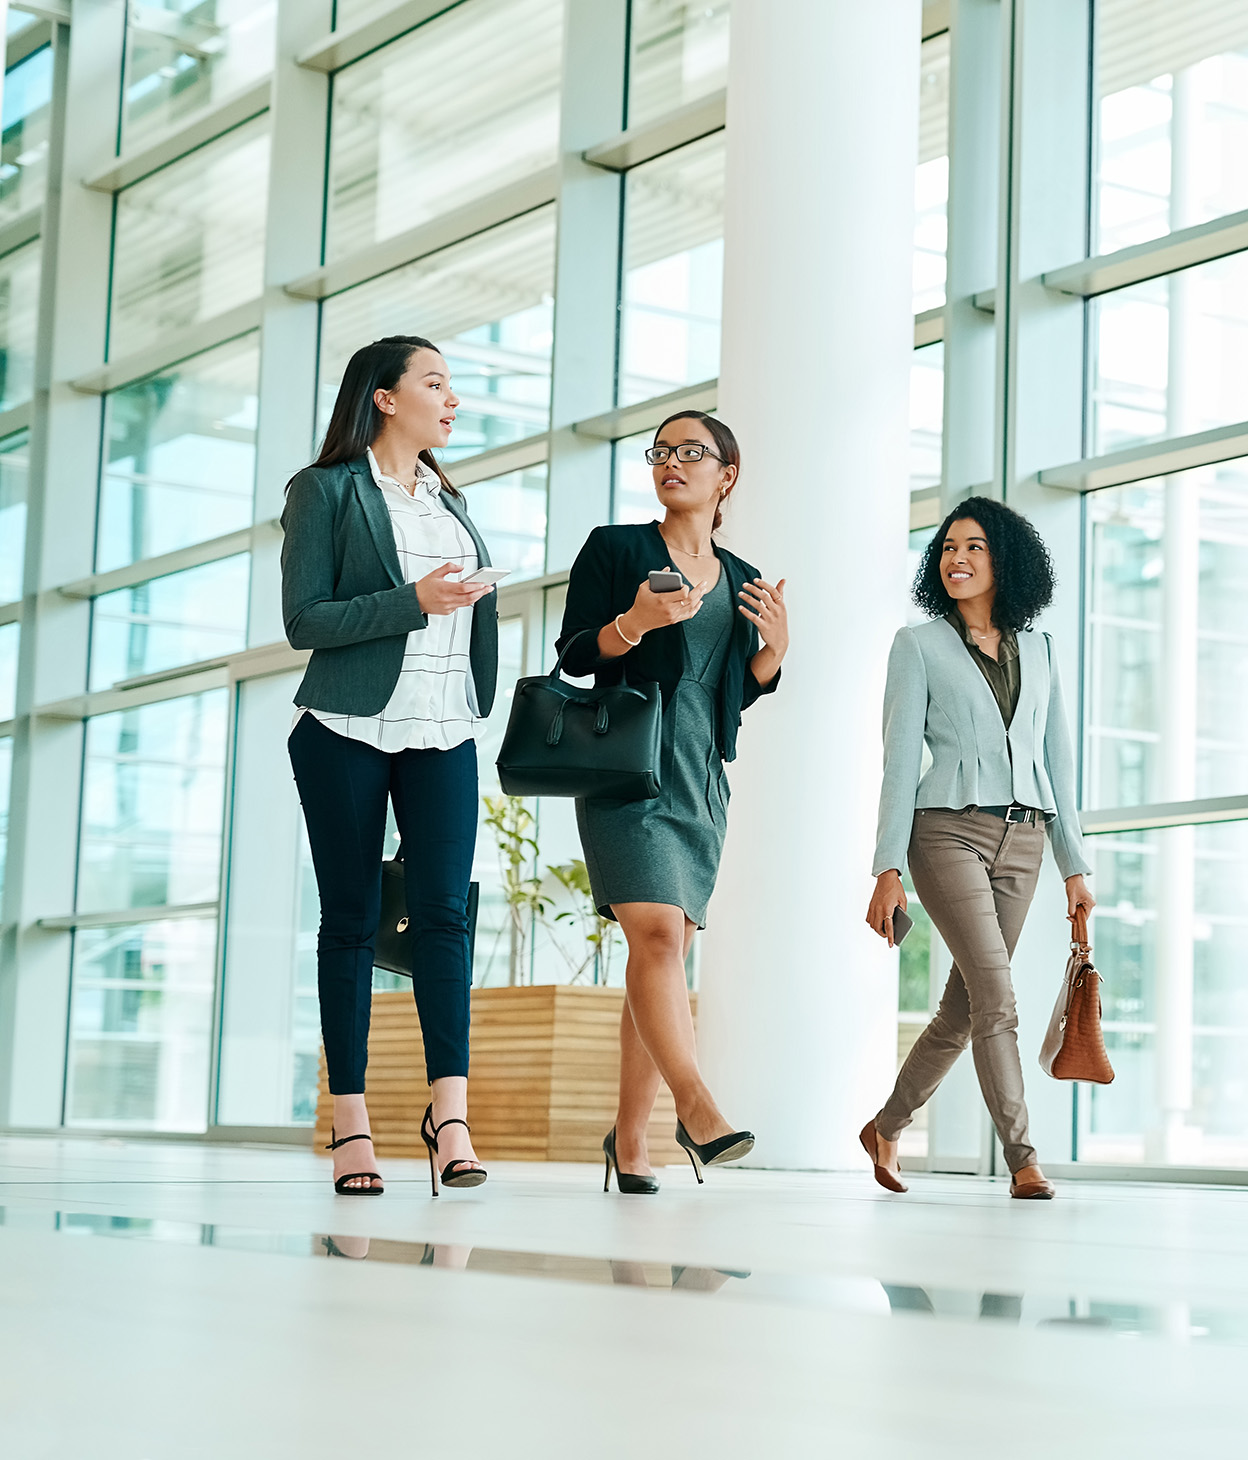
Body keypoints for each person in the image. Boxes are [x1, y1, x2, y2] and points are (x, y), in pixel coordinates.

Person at [281, 335, 498, 1197]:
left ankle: (450, 1118)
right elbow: (306, 620)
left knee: (445, 918)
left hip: (444, 730)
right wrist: (414, 601)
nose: (452, 400)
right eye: (435, 383)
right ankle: (351, 1124)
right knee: (352, 919)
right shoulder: (326, 491)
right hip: (345, 730)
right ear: (383, 396)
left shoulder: (450, 499)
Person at [556, 411, 788, 1193]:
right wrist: (634, 622)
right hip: (627, 770)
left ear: (727, 475)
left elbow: (727, 697)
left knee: (661, 954)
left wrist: (770, 659)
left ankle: (628, 1144)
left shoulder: (746, 574)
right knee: (654, 933)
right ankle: (696, 1108)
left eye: (693, 452)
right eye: (662, 451)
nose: (673, 463)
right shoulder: (616, 548)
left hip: (700, 779)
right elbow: (578, 655)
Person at [863, 497, 1094, 1201]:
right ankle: (1023, 1158)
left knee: (964, 1009)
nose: (956, 559)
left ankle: (886, 1126)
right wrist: (887, 866)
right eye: (947, 549)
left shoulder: (1044, 649)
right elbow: (899, 761)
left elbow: (1057, 765)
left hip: (1025, 840)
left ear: (1006, 562)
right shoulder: (918, 646)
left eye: (974, 548)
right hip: (946, 832)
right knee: (997, 997)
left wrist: (1074, 864)